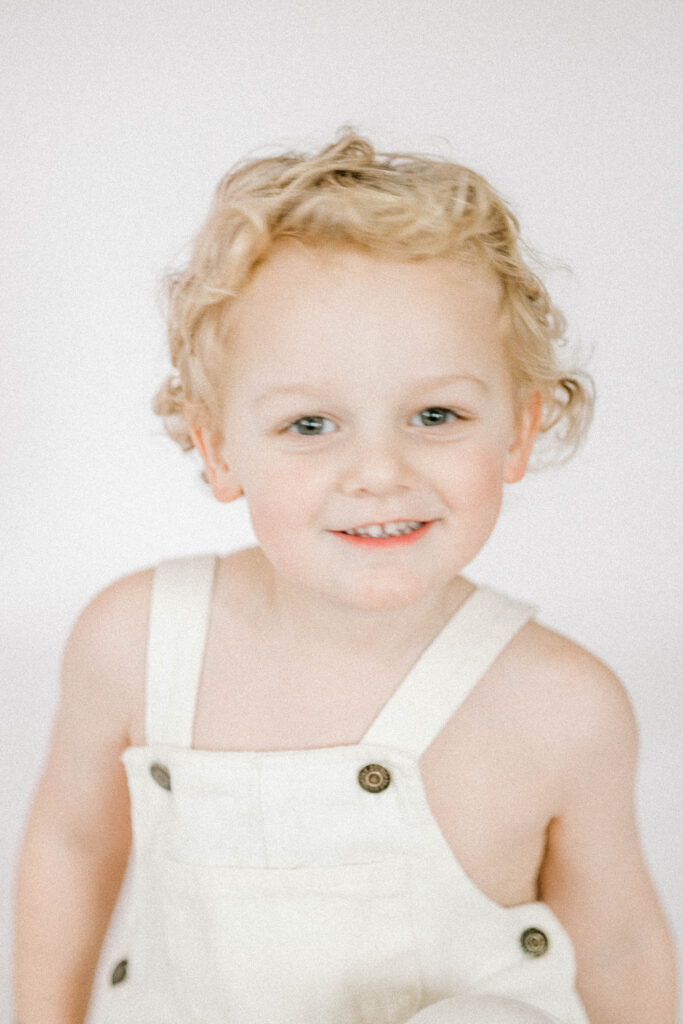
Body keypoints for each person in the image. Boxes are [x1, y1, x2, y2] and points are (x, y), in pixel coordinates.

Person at [14, 127, 677, 1024]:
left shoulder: (560, 704)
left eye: (433, 414)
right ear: (217, 448)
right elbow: (73, 841)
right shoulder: (137, 640)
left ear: (517, 432)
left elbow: (619, 941)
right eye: (311, 425)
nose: (377, 471)